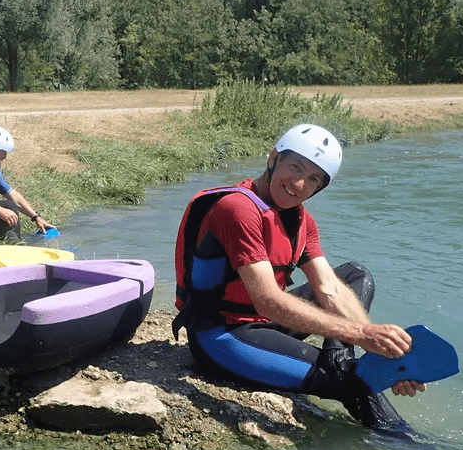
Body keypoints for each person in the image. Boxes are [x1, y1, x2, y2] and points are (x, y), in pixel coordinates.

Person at [173, 123, 425, 432]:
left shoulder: (301, 221)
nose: (299, 183)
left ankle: (343, 358)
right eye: (295, 167)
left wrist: (383, 352)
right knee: (354, 380)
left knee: (356, 275)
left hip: (264, 323)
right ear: (273, 158)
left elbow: (330, 288)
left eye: (314, 179)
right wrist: (361, 335)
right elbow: (268, 301)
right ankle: (413, 449)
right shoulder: (237, 209)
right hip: (222, 338)